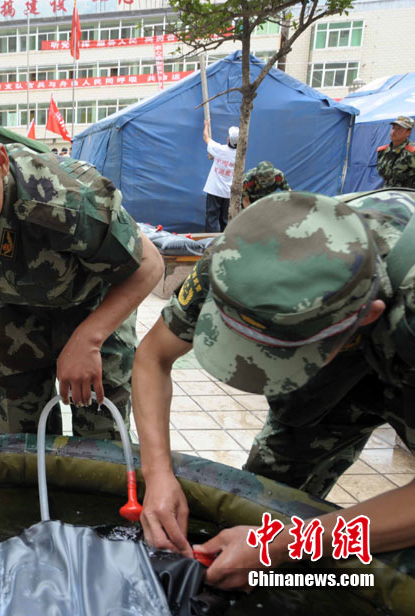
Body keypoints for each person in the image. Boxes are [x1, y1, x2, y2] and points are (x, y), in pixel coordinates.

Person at [130, 189, 415, 589]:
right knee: (264, 500)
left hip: (396, 343)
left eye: (282, 356)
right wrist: (158, 473)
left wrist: (283, 545)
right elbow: (152, 358)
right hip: (337, 356)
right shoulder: (241, 260)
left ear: (366, 317)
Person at [0, 95, 162, 435]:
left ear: (1, 162)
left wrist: (89, 339)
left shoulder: (63, 198)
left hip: (94, 303)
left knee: (101, 435)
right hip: (16, 309)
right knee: (19, 438)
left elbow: (149, 264)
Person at [201, 121, 237, 232]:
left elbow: (206, 137)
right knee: (225, 220)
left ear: (229, 140)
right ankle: (225, 240)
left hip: (214, 190)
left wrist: (206, 125)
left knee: (211, 219)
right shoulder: (239, 155)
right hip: (228, 193)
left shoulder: (220, 150)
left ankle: (209, 240)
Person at [376, 115, 415, 189]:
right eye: (393, 128)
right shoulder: (383, 151)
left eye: (399, 129)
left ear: (408, 132)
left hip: (407, 193)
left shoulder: (412, 151)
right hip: (387, 191)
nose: (394, 132)